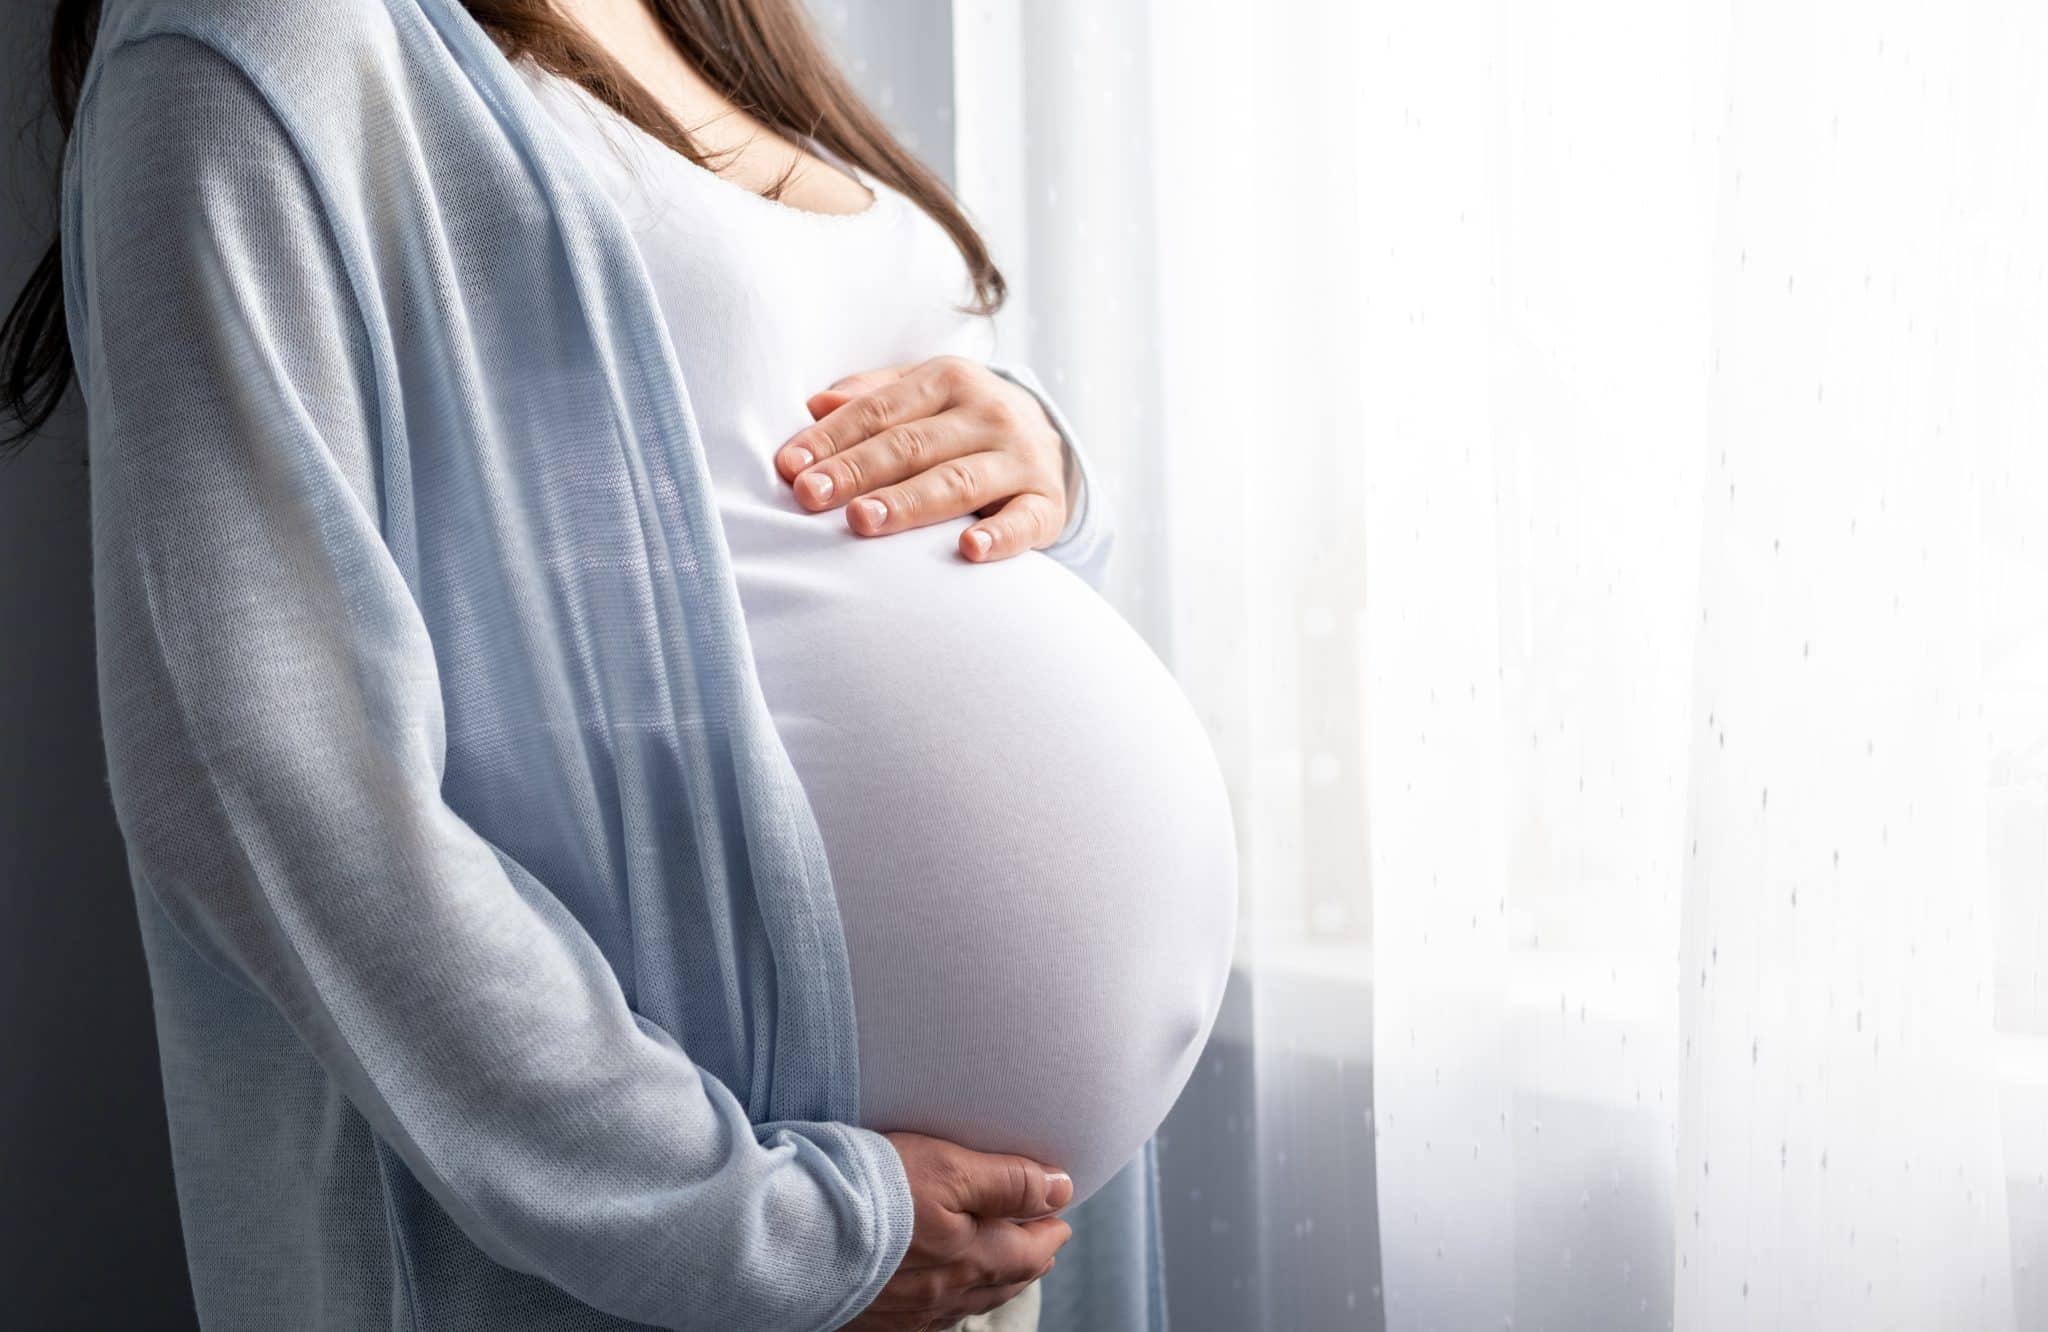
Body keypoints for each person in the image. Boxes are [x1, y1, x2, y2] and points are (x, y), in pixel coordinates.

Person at [0, 1, 1238, 1328]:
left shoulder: (716, 21)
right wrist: (753, 1230)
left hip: (941, 1250)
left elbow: (821, 458)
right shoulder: (265, 38)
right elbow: (260, 773)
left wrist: (1036, 457)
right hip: (673, 1251)